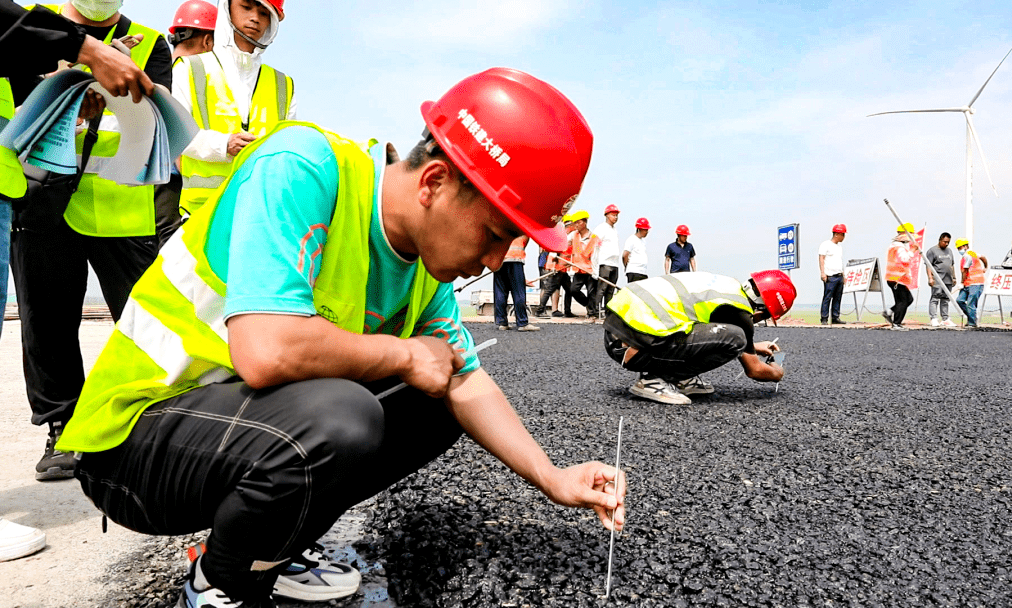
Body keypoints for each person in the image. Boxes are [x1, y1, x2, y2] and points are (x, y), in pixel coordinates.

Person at [53, 68, 625, 607]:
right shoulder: (302, 168)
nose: (498, 259)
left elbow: (467, 380)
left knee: (437, 401)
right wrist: (404, 354)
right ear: (434, 181)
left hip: (233, 433)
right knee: (344, 415)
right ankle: (219, 584)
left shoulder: (423, 268)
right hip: (131, 446)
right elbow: (266, 350)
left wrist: (552, 476)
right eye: (496, 233)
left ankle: (265, 550)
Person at [0, 0, 153, 564]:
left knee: (142, 322)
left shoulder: (147, 41)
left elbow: (154, 115)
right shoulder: (32, 26)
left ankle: (145, 422)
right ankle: (62, 429)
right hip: (42, 202)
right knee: (46, 321)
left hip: (118, 210)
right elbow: (20, 102)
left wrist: (104, 97)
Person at [172, 0, 295, 216]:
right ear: (227, 7)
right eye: (246, 7)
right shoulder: (189, 69)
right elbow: (175, 133)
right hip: (201, 216)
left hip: (259, 217)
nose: (255, 18)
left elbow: (289, 151)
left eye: (264, 13)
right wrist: (223, 144)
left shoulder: (284, 85)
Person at [603, 271, 793, 405]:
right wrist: (777, 371)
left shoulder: (728, 288)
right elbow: (755, 370)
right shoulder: (740, 311)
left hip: (617, 331)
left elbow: (708, 328)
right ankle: (657, 379)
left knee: (737, 338)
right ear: (763, 310)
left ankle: (678, 379)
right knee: (737, 338)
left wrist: (753, 346)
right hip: (631, 347)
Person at [154, 0, 219, 248]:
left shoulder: (159, 70)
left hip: (149, 186)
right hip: (176, 184)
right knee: (178, 254)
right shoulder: (189, 75)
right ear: (207, 41)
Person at [493, 235, 539, 331]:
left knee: (500, 291)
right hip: (515, 259)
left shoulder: (499, 222)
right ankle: (522, 323)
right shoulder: (521, 223)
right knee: (518, 291)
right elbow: (525, 241)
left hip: (500, 259)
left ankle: (502, 323)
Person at [883, 223, 919, 331]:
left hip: (895, 279)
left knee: (908, 299)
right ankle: (896, 323)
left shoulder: (895, 246)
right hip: (897, 279)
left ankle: (889, 312)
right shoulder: (899, 247)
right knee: (903, 301)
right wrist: (912, 251)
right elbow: (904, 259)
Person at [535, 217, 574, 318]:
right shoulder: (554, 230)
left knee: (565, 288)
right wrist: (552, 266)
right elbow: (551, 248)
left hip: (561, 267)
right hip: (550, 264)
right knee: (547, 287)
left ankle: (558, 310)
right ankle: (540, 310)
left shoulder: (566, 234)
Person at [565, 209, 600, 321]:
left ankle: (592, 313)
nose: (574, 225)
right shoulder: (573, 235)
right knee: (573, 290)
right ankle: (588, 304)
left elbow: (596, 256)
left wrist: (596, 271)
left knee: (591, 292)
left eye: (576, 222)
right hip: (578, 270)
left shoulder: (594, 238)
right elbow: (565, 243)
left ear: (583, 223)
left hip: (590, 270)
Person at [591, 204, 620, 315]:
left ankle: (608, 312)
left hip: (614, 263)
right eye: (613, 215)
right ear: (607, 215)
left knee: (610, 290)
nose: (615, 217)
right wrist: (595, 266)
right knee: (602, 289)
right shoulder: (601, 229)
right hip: (605, 263)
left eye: (617, 215)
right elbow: (594, 247)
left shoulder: (614, 230)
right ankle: (595, 311)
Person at [955, 239, 988, 328]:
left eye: (960, 247)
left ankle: (972, 323)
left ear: (966, 246)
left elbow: (965, 271)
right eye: (958, 248)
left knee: (970, 303)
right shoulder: (971, 254)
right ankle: (972, 317)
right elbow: (983, 257)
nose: (959, 250)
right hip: (968, 283)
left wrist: (961, 283)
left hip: (976, 283)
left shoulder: (968, 256)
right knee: (960, 300)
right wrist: (985, 267)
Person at [925, 232, 956, 327]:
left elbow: (951, 265)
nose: (946, 244)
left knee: (945, 299)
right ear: (940, 240)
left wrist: (954, 277)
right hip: (937, 279)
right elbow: (928, 265)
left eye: (948, 242)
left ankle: (945, 319)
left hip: (948, 279)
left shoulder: (949, 251)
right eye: (945, 242)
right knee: (935, 298)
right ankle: (933, 318)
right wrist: (930, 277)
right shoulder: (932, 251)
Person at [818, 223, 847, 325]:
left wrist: (843, 275)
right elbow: (821, 258)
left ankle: (835, 317)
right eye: (842, 234)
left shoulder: (839, 247)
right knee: (827, 297)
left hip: (839, 275)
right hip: (830, 275)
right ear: (836, 234)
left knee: (838, 297)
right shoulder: (825, 244)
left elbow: (839, 261)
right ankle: (824, 318)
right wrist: (823, 273)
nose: (843, 237)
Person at [623, 217, 650, 283]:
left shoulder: (643, 241)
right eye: (645, 230)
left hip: (643, 271)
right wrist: (627, 266)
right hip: (634, 271)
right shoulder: (631, 239)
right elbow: (625, 255)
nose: (647, 232)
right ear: (639, 229)